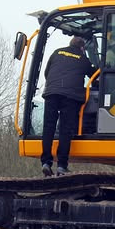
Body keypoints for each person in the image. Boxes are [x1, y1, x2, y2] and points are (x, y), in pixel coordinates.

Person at [40, 35, 96, 176]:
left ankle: (46, 162)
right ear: (82, 48)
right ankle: (62, 165)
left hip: (51, 93)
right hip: (71, 97)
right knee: (65, 130)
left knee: (48, 127)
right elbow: (95, 77)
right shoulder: (83, 59)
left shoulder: (57, 52)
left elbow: (47, 73)